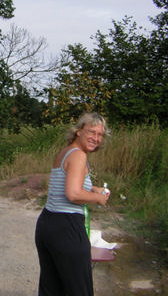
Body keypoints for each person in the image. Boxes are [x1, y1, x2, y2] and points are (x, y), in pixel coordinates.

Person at [35, 112, 110, 296]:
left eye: (100, 134)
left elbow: (67, 183)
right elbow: (73, 193)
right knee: (79, 291)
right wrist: (99, 199)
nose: (96, 138)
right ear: (78, 131)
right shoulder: (78, 156)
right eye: (91, 132)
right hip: (66, 228)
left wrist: (93, 190)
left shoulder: (66, 151)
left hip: (47, 224)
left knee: (51, 289)